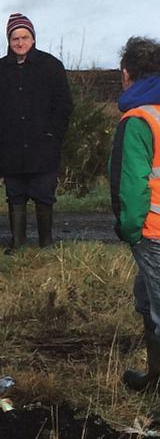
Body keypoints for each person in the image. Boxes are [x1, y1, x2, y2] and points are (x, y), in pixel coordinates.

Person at [0, 13, 72, 251]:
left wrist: (53, 136)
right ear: (9, 41)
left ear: (33, 38)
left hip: (43, 147)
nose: (20, 42)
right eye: (15, 38)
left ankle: (46, 243)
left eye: (25, 37)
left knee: (43, 194)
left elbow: (63, 106)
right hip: (9, 148)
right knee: (15, 194)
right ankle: (17, 242)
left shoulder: (51, 66)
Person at [110, 36, 160, 392]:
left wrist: (129, 231)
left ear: (126, 74)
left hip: (154, 232)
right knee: (146, 300)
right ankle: (154, 378)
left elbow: (132, 187)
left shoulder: (139, 120)